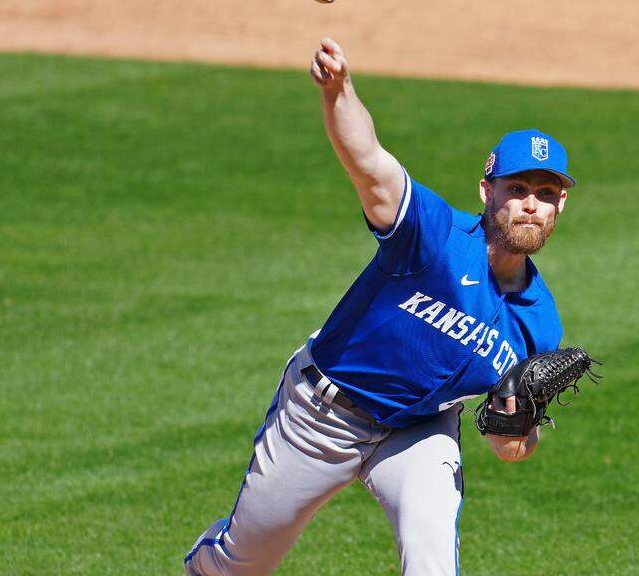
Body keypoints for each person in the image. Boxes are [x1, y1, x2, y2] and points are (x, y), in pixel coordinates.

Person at [184, 38, 577, 576]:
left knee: (432, 560)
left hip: (419, 431)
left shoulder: (539, 323)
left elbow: (509, 440)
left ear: (561, 204)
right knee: (242, 565)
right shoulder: (433, 237)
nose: (531, 202)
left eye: (546, 192)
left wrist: (516, 436)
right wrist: (339, 91)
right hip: (322, 417)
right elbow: (369, 164)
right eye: (517, 188)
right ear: (487, 191)